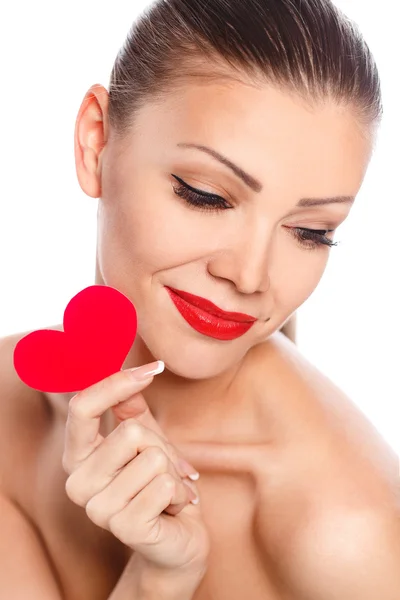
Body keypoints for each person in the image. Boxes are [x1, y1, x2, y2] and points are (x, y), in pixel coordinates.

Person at [1, 0, 399, 598]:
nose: (249, 275)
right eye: (207, 195)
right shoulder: (9, 412)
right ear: (96, 142)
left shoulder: (345, 532)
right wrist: (157, 580)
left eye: (310, 231)